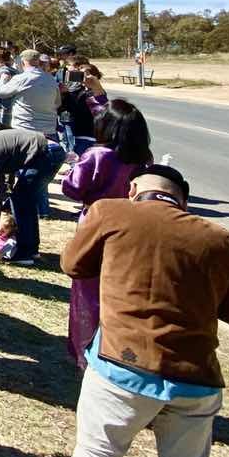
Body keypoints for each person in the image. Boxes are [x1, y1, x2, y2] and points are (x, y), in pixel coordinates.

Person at [46, 164, 229, 457]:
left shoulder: (112, 212)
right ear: (183, 200)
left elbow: (72, 263)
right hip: (195, 378)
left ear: (134, 188)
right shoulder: (217, 238)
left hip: (121, 367)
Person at [61, 100, 152, 368]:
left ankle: (85, 351)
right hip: (129, 227)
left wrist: (73, 167)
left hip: (95, 225)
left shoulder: (97, 155)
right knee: (119, 289)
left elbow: (72, 188)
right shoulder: (143, 159)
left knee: (87, 289)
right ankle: (114, 347)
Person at [0, 50, 64, 267]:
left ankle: (25, 249)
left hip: (26, 138)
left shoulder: (23, 78)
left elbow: (2, 93)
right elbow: (57, 103)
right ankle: (29, 246)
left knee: (21, 197)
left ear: (23, 62)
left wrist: (3, 78)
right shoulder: (50, 80)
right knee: (28, 196)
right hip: (48, 136)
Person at [0, 128, 50, 238]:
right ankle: (26, 244)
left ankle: (28, 246)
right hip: (43, 149)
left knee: (21, 200)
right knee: (20, 199)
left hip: (45, 151)